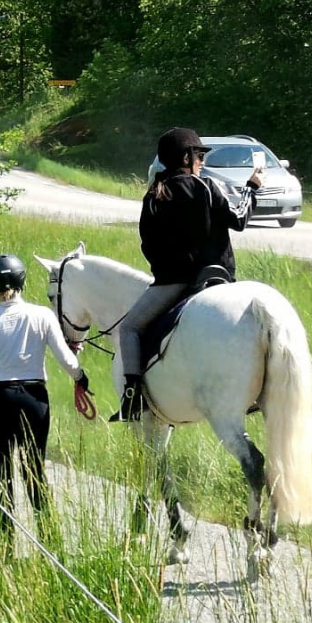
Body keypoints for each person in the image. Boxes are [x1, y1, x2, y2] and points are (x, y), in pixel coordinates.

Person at [113, 127, 261, 422]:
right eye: (199, 155)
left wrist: (165, 269)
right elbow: (240, 218)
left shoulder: (154, 196)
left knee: (128, 329)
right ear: (186, 157)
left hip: (173, 282)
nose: (202, 161)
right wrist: (252, 187)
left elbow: (147, 244)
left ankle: (132, 394)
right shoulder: (206, 187)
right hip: (216, 277)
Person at [0, 253, 90, 535]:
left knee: (1, 470)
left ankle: (5, 538)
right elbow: (67, 360)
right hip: (34, 399)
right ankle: (48, 534)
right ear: (22, 281)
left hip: (0, 398)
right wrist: (80, 377)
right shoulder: (42, 315)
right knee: (34, 467)